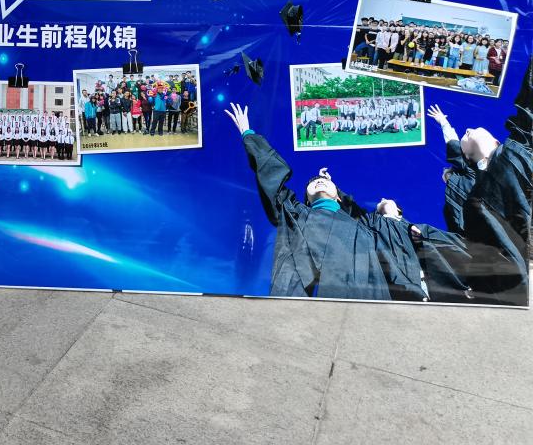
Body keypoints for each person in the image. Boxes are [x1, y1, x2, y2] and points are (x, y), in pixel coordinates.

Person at [224, 103, 390, 300]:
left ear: (338, 196)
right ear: (307, 199)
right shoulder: (295, 215)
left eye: (324, 182)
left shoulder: (360, 224)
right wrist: (248, 134)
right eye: (313, 183)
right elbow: (272, 176)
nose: (318, 181)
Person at [425, 61, 533, 306]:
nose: (469, 128)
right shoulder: (473, 198)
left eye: (471, 129)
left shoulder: (519, 148)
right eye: (466, 134)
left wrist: (444, 123)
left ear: (495, 140)